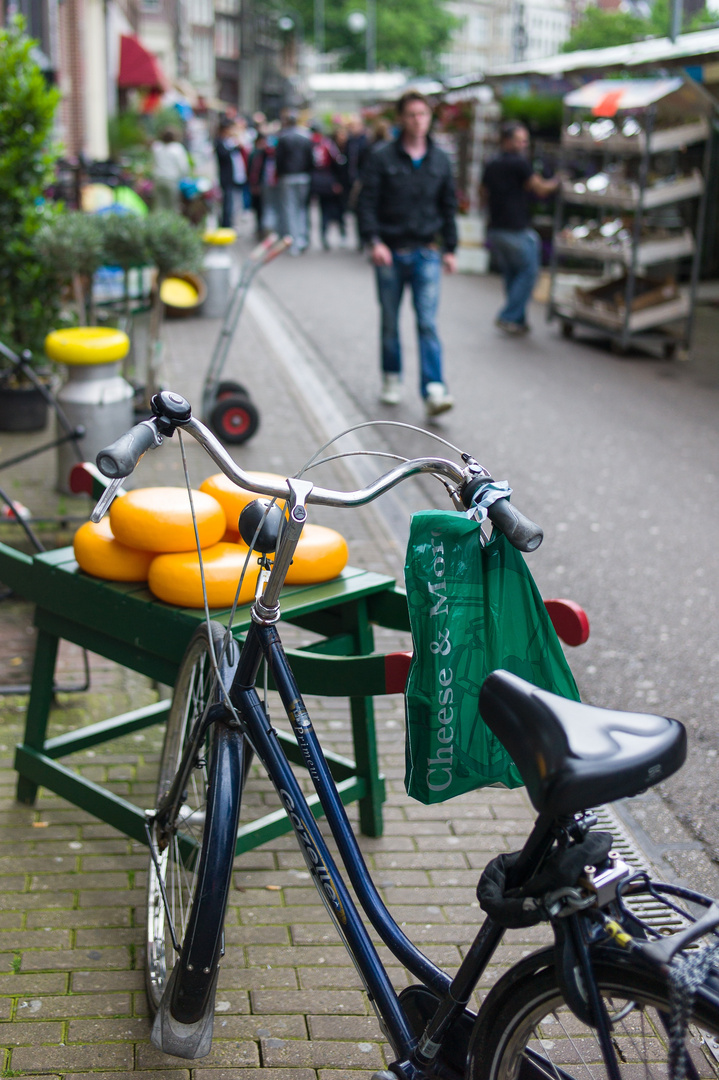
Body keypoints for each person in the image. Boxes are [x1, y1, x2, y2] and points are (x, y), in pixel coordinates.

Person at [357, 90, 457, 418]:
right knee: (390, 320)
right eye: (412, 114)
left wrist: (451, 248)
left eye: (423, 115)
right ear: (401, 118)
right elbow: (366, 202)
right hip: (391, 250)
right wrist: (374, 241)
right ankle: (391, 376)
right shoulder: (382, 157)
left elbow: (449, 206)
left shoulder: (440, 159)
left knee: (427, 321)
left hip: (427, 251)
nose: (418, 121)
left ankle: (434, 388)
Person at [480, 121, 560, 335]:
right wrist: (558, 181)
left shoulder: (491, 163)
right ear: (507, 141)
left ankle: (518, 320)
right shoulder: (519, 164)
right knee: (528, 272)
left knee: (512, 275)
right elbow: (540, 188)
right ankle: (508, 315)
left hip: (496, 228)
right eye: (519, 140)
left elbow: (483, 193)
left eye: (525, 140)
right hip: (515, 228)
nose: (523, 144)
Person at [275, 111, 314, 256]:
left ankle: (293, 242)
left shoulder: (283, 137)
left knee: (290, 209)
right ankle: (302, 238)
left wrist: (280, 174)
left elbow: (278, 160)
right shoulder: (305, 137)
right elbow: (311, 159)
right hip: (303, 176)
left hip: (288, 177)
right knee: (301, 208)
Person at [309, 123, 345, 249]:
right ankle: (329, 234)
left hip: (316, 180)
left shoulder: (311, 143)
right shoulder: (327, 144)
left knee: (322, 210)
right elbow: (337, 162)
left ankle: (322, 235)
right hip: (327, 180)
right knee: (329, 209)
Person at [214, 118, 248, 229]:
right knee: (227, 203)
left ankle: (230, 223)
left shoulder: (230, 141)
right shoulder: (220, 142)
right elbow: (223, 155)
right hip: (226, 177)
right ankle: (226, 225)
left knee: (233, 202)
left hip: (235, 177)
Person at [151, 129, 190, 212]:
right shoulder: (177, 148)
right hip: (171, 180)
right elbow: (183, 167)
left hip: (159, 179)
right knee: (173, 206)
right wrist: (185, 176)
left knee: (159, 206)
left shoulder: (157, 147)